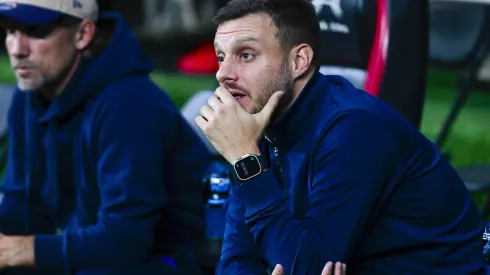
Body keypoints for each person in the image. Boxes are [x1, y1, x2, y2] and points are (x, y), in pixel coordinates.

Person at [194, 0, 486, 274]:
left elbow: (307, 265)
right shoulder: (255, 127)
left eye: (245, 55)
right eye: (221, 57)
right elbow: (237, 259)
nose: (223, 73)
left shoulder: (354, 129)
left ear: (299, 60)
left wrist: (246, 161)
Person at [0, 0, 209, 274]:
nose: (17, 49)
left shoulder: (129, 104)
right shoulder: (30, 97)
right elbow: (22, 206)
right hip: (102, 254)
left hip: (168, 260)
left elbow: (127, 240)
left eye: (36, 31)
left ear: (83, 34)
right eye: (10, 31)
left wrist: (23, 250)